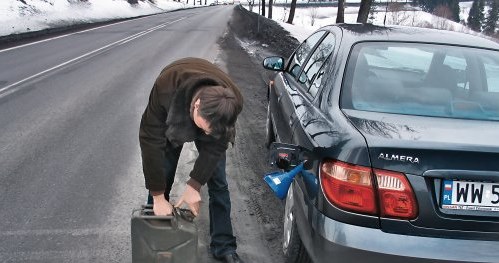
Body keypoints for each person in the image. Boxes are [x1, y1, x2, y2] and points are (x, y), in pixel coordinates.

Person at [139, 57, 244, 263]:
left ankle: (223, 246)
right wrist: (158, 196)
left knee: (218, 182)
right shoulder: (165, 89)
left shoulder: (232, 102)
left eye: (211, 130)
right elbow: (150, 140)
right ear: (196, 106)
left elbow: (216, 147)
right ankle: (155, 243)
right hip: (175, 113)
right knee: (163, 171)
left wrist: (194, 185)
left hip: (211, 114)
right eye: (204, 128)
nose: (205, 133)